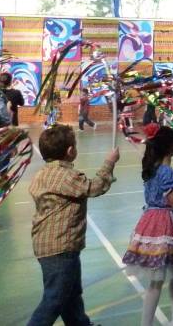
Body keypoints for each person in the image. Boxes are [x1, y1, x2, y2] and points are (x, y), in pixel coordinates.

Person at [27, 126, 119, 326]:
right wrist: (109, 163)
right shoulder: (65, 176)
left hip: (51, 245)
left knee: (71, 294)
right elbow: (94, 187)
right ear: (70, 151)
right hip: (60, 246)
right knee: (55, 299)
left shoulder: (42, 174)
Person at [122, 125, 173, 326]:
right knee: (158, 280)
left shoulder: (151, 169)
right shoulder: (167, 173)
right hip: (164, 225)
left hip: (150, 221)